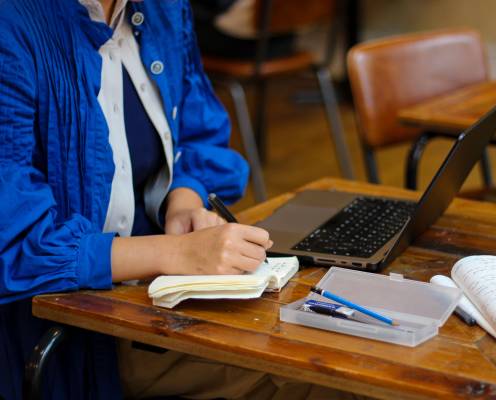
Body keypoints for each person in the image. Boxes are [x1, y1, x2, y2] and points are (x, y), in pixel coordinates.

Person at [0, 1, 367, 399]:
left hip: (163, 298)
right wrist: (176, 253)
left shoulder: (162, 9)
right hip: (78, 333)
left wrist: (184, 201)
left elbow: (196, 131)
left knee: (354, 340)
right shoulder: (13, 27)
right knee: (340, 380)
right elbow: (16, 247)